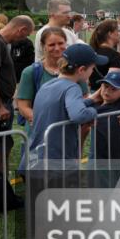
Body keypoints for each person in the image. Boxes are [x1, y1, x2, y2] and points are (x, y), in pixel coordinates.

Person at [27, 43, 106, 172]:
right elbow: (79, 115)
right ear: (81, 70)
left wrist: (91, 100)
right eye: (92, 68)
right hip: (57, 160)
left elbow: (60, 106)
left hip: (37, 156)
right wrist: (94, 111)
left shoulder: (48, 85)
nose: (93, 71)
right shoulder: (72, 87)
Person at [0, 15, 34, 213]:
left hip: (4, 103)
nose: (24, 39)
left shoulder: (1, 43)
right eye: (26, 35)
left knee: (4, 148)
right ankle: (1, 200)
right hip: (0, 107)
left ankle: (5, 196)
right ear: (21, 30)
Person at [91, 71, 120, 164]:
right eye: (105, 86)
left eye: (113, 89)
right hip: (99, 157)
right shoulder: (95, 104)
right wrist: (93, 98)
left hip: (118, 159)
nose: (107, 91)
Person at [87, 19, 120, 90]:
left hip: (93, 91)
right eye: (118, 31)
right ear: (110, 34)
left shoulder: (94, 50)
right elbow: (112, 83)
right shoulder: (113, 55)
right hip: (106, 94)